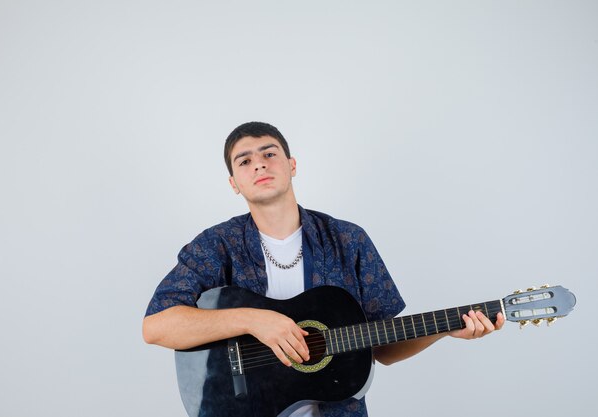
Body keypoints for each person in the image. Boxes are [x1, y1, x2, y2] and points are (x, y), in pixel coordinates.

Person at [142, 121, 504, 417]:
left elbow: (383, 347)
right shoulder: (214, 246)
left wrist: (445, 329)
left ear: (292, 164)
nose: (260, 165)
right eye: (245, 161)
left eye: (270, 154)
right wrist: (253, 320)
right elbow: (156, 326)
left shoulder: (347, 240)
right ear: (234, 184)